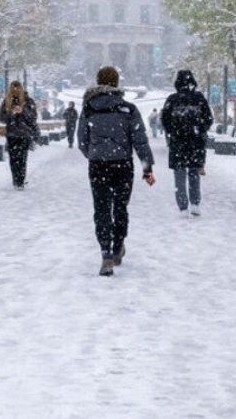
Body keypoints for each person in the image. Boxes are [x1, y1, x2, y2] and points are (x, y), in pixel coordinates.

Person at [78, 66, 155, 276]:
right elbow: (140, 141)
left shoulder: (89, 108)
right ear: (117, 83)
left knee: (101, 209)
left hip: (98, 165)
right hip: (122, 164)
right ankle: (118, 245)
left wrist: (95, 154)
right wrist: (147, 168)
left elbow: (82, 142)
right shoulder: (128, 109)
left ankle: (105, 254)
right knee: (120, 207)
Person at [160, 70, 213, 218]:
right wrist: (199, 130)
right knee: (194, 173)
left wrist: (173, 132)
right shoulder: (199, 98)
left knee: (179, 175)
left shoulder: (172, 99)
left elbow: (164, 119)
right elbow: (208, 118)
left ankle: (183, 207)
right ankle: (195, 204)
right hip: (195, 142)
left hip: (178, 143)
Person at [0, 81, 38, 189]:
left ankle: (20, 181)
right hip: (11, 134)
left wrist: (23, 110)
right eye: (13, 88)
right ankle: (16, 180)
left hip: (24, 134)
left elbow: (33, 117)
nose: (15, 90)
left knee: (22, 158)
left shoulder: (28, 101)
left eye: (17, 88)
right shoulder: (6, 101)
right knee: (13, 159)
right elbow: (1, 117)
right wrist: (11, 113)